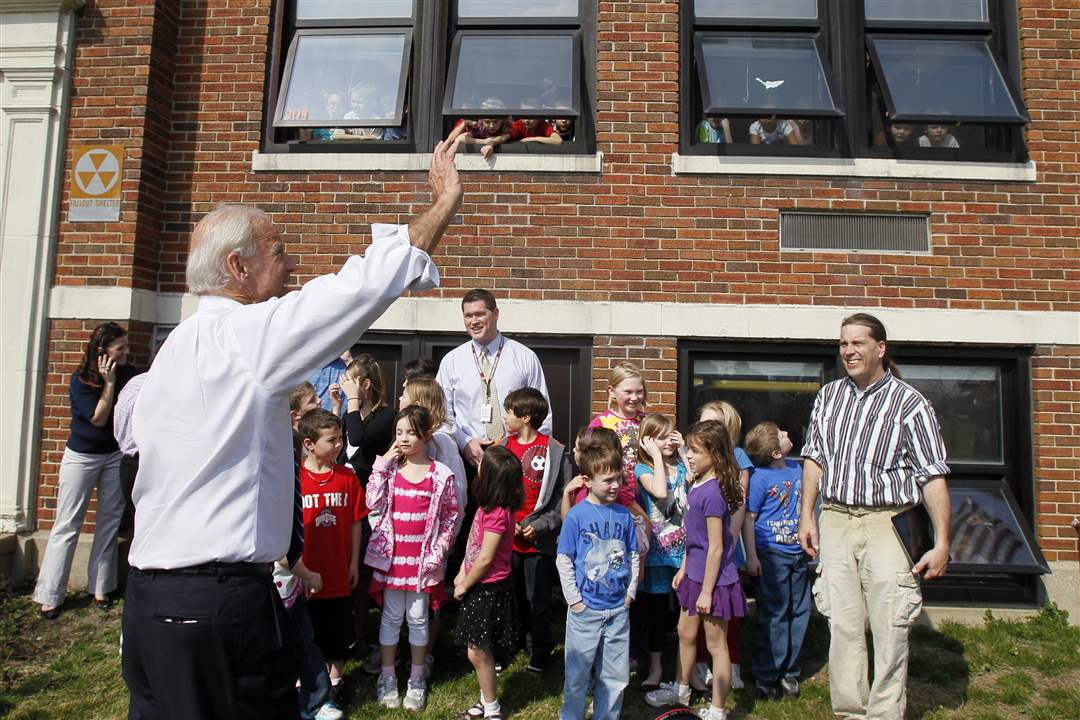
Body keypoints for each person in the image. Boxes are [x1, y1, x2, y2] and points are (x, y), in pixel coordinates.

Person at [122, 140, 462, 719]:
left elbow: (127, 430)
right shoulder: (244, 338)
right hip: (217, 604)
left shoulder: (171, 353)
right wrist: (443, 203)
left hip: (149, 605)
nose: (292, 267)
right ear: (238, 267)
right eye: (279, 254)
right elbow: (355, 290)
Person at [797, 313, 951, 720]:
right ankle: (850, 711)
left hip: (888, 523)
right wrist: (806, 516)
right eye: (844, 343)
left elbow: (932, 475)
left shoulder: (910, 403)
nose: (848, 351)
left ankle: (884, 713)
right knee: (842, 623)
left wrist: (942, 543)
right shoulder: (828, 397)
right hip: (835, 518)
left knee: (890, 626)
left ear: (880, 348)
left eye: (858, 343)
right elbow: (814, 458)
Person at [645, 420, 746, 720]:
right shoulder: (697, 482)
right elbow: (694, 537)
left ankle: (717, 710)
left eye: (696, 451)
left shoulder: (714, 493)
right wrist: (685, 569)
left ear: (714, 455)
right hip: (694, 575)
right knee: (684, 633)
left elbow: (716, 547)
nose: (688, 455)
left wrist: (706, 591)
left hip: (714, 583)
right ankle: (680, 690)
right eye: (689, 448)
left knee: (716, 646)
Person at [35, 322, 137, 618]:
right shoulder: (81, 380)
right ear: (102, 352)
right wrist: (108, 383)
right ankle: (51, 593)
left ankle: (101, 587)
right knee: (68, 523)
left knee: (109, 520)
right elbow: (97, 419)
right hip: (82, 456)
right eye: (121, 348)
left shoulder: (130, 375)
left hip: (114, 455)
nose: (127, 352)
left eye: (127, 346)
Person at [366, 405, 460, 711]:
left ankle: (417, 678)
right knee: (391, 617)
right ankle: (388, 676)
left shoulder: (441, 475)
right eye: (399, 432)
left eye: (410, 432)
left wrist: (439, 551)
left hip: (422, 562)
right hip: (392, 561)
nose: (403, 438)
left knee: (418, 618)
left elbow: (450, 517)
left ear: (427, 435)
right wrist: (382, 464)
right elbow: (372, 502)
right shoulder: (389, 471)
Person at [557, 442, 640, 720]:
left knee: (615, 677)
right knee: (578, 676)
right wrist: (575, 601)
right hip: (585, 613)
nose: (615, 485)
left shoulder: (624, 515)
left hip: (618, 611)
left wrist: (630, 593)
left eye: (619, 478)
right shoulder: (576, 516)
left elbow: (633, 554)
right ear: (587, 481)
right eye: (608, 480)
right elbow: (564, 559)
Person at [397, 376, 469, 676]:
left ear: (419, 403)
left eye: (404, 395)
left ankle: (425, 655)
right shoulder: (403, 440)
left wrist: (444, 541)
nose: (398, 399)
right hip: (406, 536)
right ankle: (408, 649)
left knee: (428, 598)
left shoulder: (441, 443)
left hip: (431, 540)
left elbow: (458, 495)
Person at [437, 288, 551, 468]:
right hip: (467, 459)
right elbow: (442, 414)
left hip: (515, 461)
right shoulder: (451, 361)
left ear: (496, 313)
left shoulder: (524, 357)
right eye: (468, 316)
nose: (474, 321)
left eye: (480, 314)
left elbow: (542, 413)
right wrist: (465, 442)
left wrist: (529, 452)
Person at [280, 389, 341, 720]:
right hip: (278, 574)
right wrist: (305, 571)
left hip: (292, 574)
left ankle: (317, 699)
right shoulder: (280, 457)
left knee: (305, 638)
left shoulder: (285, 455)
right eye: (311, 407)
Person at [452, 446, 525, 720]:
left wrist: (464, 585)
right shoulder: (488, 508)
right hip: (479, 585)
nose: (477, 465)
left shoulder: (496, 515)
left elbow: (485, 559)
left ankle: (492, 710)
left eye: (483, 463)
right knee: (478, 650)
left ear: (491, 478)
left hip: (487, 589)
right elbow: (473, 545)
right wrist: (461, 570)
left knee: (478, 652)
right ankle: (486, 701)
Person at [500, 387, 570, 674]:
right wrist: (507, 523)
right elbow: (496, 491)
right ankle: (512, 643)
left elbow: (562, 496)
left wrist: (540, 526)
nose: (504, 417)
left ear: (525, 417)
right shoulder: (503, 447)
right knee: (510, 597)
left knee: (537, 600)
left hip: (539, 543)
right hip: (508, 540)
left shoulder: (554, 450)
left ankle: (540, 650)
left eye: (508, 412)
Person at [298, 409, 365, 703]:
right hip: (306, 572)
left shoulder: (347, 478)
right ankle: (306, 681)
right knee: (307, 630)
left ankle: (336, 680)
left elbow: (355, 522)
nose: (338, 445)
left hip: (338, 570)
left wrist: (353, 563)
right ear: (310, 444)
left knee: (337, 629)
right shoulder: (297, 479)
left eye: (340, 438)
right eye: (331, 440)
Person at [743, 421, 809, 701]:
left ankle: (790, 672)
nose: (787, 433)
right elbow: (750, 518)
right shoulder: (759, 478)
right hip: (771, 554)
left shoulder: (798, 469)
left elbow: (807, 508)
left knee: (800, 611)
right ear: (775, 453)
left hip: (798, 552)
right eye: (781, 434)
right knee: (774, 614)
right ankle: (767, 674)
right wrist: (752, 556)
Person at [696, 400, 753, 691]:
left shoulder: (738, 457)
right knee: (699, 609)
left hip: (725, 544)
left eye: (714, 424)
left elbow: (740, 501)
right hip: (700, 545)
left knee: (725, 608)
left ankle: (731, 664)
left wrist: (727, 541)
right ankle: (701, 663)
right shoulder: (696, 456)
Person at [633, 413, 689, 689]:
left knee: (684, 613)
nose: (669, 441)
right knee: (656, 614)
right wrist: (655, 455)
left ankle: (686, 668)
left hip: (684, 551)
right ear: (648, 441)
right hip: (657, 552)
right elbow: (660, 492)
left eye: (672, 434)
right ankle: (655, 668)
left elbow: (695, 483)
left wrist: (685, 451)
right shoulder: (643, 469)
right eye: (662, 437)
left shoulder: (682, 463)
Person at [341, 353, 394, 483]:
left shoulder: (387, 414)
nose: (345, 388)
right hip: (348, 486)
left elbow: (356, 438)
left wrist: (352, 398)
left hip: (368, 486)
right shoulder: (351, 413)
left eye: (350, 383)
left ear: (366, 385)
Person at [447, 98, 514, 160]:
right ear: (481, 119)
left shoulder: (507, 126)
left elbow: (505, 137)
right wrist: (484, 142)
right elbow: (459, 138)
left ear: (502, 120)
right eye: (487, 122)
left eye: (495, 121)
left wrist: (491, 144)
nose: (491, 126)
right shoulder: (479, 127)